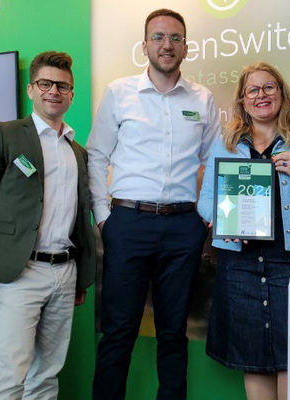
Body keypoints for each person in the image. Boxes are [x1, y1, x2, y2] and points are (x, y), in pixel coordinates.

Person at [86, 8, 221, 400]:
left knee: (173, 334)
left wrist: (205, 216)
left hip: (183, 229)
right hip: (128, 223)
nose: (167, 45)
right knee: (118, 333)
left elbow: (215, 162)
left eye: (175, 38)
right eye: (158, 37)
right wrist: (104, 218)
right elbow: (96, 157)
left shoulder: (202, 98)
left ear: (186, 47)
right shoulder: (119, 93)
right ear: (144, 45)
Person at [0, 51, 96, 400]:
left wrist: (81, 275)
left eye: (62, 86)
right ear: (31, 89)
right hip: (20, 272)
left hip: (64, 273)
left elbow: (79, 217)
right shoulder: (4, 134)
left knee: (46, 377)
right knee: (10, 377)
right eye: (45, 84)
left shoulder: (78, 152)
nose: (54, 91)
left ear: (72, 94)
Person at [197, 62, 290, 400]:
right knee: (254, 360)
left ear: (281, 94)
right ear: (243, 100)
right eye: (253, 90)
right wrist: (223, 220)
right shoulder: (226, 144)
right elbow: (205, 202)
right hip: (240, 265)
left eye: (269, 87)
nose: (261, 95)